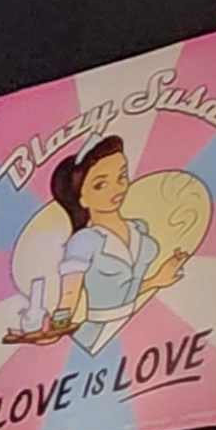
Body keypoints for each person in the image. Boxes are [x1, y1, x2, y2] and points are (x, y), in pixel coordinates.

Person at [11, 135, 190, 352]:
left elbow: (125, 292)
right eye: (100, 185)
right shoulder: (84, 241)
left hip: (141, 331)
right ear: (82, 199)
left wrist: (158, 278)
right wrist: (54, 331)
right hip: (97, 335)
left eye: (122, 177)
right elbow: (70, 296)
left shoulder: (138, 228)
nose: (117, 188)